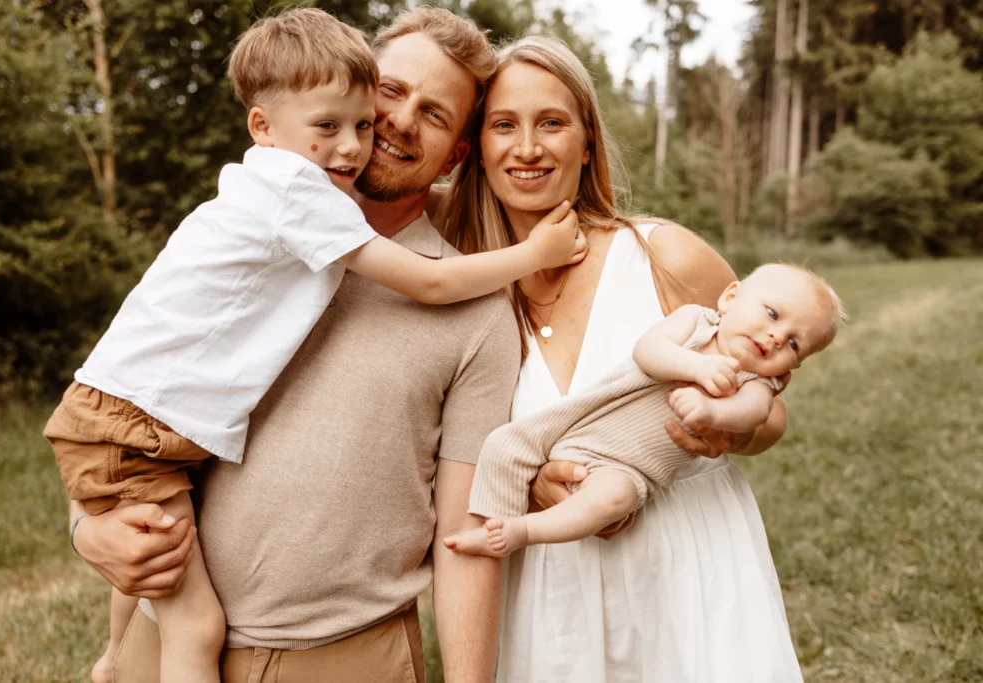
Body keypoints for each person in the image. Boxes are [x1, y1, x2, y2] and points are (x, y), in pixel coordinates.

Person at [45, 9, 590, 683]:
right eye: (388, 93)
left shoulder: (475, 314)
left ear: (455, 154)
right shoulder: (248, 239)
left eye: (434, 114)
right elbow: (128, 402)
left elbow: (462, 538)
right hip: (162, 640)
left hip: (344, 656)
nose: (393, 122)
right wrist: (85, 531)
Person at [439, 35, 806, 681]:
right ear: (478, 148)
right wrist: (528, 482)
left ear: (587, 144)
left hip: (684, 566)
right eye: (504, 124)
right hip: (546, 590)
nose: (527, 147)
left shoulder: (666, 254)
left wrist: (731, 429)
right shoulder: (462, 286)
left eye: (551, 122)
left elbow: (772, 409)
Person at [444, 264, 843, 557]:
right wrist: (697, 367)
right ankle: (484, 523)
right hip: (582, 422)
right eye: (772, 314)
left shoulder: (757, 384)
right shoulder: (695, 322)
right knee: (505, 444)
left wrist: (710, 412)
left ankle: (518, 532)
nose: (776, 337)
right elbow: (648, 352)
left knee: (611, 501)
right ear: (731, 298)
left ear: (794, 367)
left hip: (627, 469)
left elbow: (752, 416)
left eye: (794, 344)